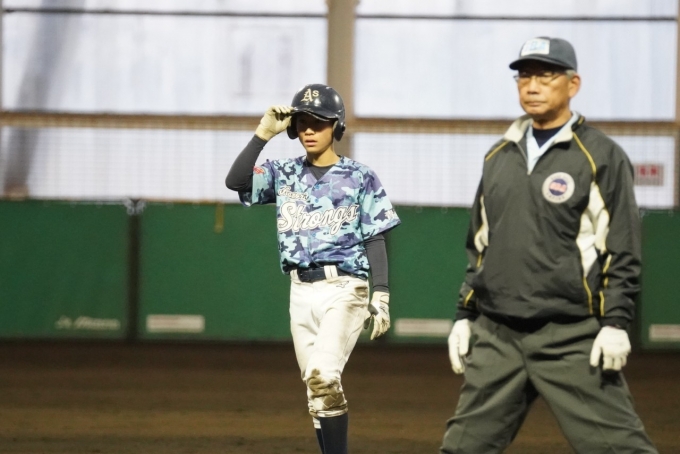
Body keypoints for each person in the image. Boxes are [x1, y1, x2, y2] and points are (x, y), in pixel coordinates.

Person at [441, 37, 658, 453]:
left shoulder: (600, 156)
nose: (533, 86)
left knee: (621, 450)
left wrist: (616, 323)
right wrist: (465, 314)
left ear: (573, 84)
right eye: (524, 76)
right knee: (461, 449)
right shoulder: (498, 156)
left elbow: (622, 248)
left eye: (545, 76)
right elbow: (481, 245)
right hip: (497, 337)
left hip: (571, 337)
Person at [225, 83, 401, 454]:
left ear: (336, 126)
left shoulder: (360, 176)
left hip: (345, 289)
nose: (309, 129)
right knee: (316, 392)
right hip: (300, 292)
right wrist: (262, 134)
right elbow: (236, 181)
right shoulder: (284, 172)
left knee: (323, 376)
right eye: (302, 122)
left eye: (318, 122)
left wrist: (382, 293)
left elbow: (375, 237)